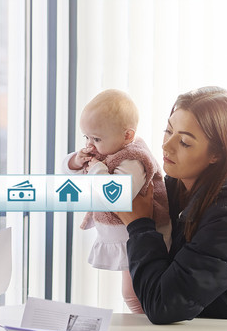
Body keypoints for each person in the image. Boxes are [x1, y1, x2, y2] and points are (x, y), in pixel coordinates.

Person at [118, 86, 227, 326]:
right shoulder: (181, 185)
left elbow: (161, 304)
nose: (166, 146)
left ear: (217, 154)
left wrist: (139, 225)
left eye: (185, 143)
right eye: (168, 131)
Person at [62, 89, 171, 314]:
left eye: (97, 138)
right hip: (127, 236)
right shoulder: (106, 151)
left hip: (139, 236)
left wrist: (96, 169)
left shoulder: (134, 159)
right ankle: (143, 328)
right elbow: (67, 171)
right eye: (86, 137)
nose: (90, 145)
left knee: (135, 294)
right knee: (131, 294)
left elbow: (116, 194)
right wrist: (75, 160)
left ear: (127, 136)